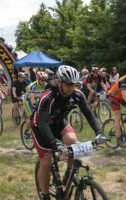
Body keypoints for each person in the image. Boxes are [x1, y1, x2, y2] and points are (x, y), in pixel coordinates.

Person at [30, 65, 103, 200]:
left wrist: (99, 132)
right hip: (40, 125)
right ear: (60, 82)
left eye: (74, 84)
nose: (71, 87)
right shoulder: (48, 97)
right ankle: (45, 195)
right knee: (46, 161)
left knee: (73, 143)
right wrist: (54, 144)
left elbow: (88, 112)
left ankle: (69, 172)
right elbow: (43, 123)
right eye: (68, 84)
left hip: (58, 122)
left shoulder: (77, 94)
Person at [22, 71, 47, 138]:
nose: (44, 82)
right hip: (28, 100)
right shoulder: (33, 86)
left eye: (45, 80)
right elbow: (32, 99)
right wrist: (34, 105)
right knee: (32, 115)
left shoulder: (46, 85)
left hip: (37, 99)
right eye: (42, 80)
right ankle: (26, 132)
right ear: (38, 79)